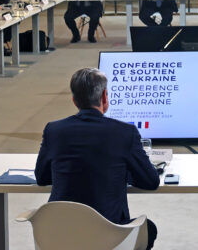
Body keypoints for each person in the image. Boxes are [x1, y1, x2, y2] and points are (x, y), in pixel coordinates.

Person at [35, 68, 159, 248]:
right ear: (104, 97)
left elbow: (42, 178)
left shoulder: (53, 130)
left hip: (60, 234)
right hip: (109, 236)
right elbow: (150, 181)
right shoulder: (125, 133)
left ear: (74, 100)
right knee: (149, 229)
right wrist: (124, 174)